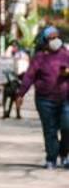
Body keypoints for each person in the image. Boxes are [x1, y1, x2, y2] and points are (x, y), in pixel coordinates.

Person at [19, 28, 69, 164]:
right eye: (51, 38)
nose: (55, 40)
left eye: (57, 37)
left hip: (65, 99)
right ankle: (51, 158)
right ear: (45, 41)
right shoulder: (39, 57)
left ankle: (64, 153)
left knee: (67, 126)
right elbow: (29, 76)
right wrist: (20, 94)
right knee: (50, 130)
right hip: (45, 100)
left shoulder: (65, 54)